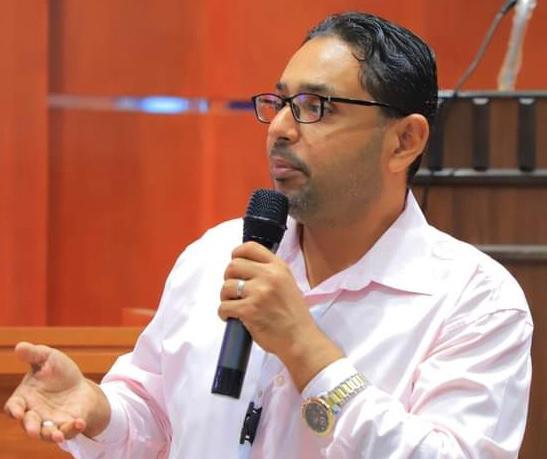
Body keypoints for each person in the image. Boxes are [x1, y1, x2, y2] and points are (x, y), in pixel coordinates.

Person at [4, 11, 532, 459]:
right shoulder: (216, 255)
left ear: (404, 141)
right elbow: (154, 420)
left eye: (316, 107)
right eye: (280, 103)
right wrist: (99, 411)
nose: (280, 127)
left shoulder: (474, 301)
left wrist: (307, 351)